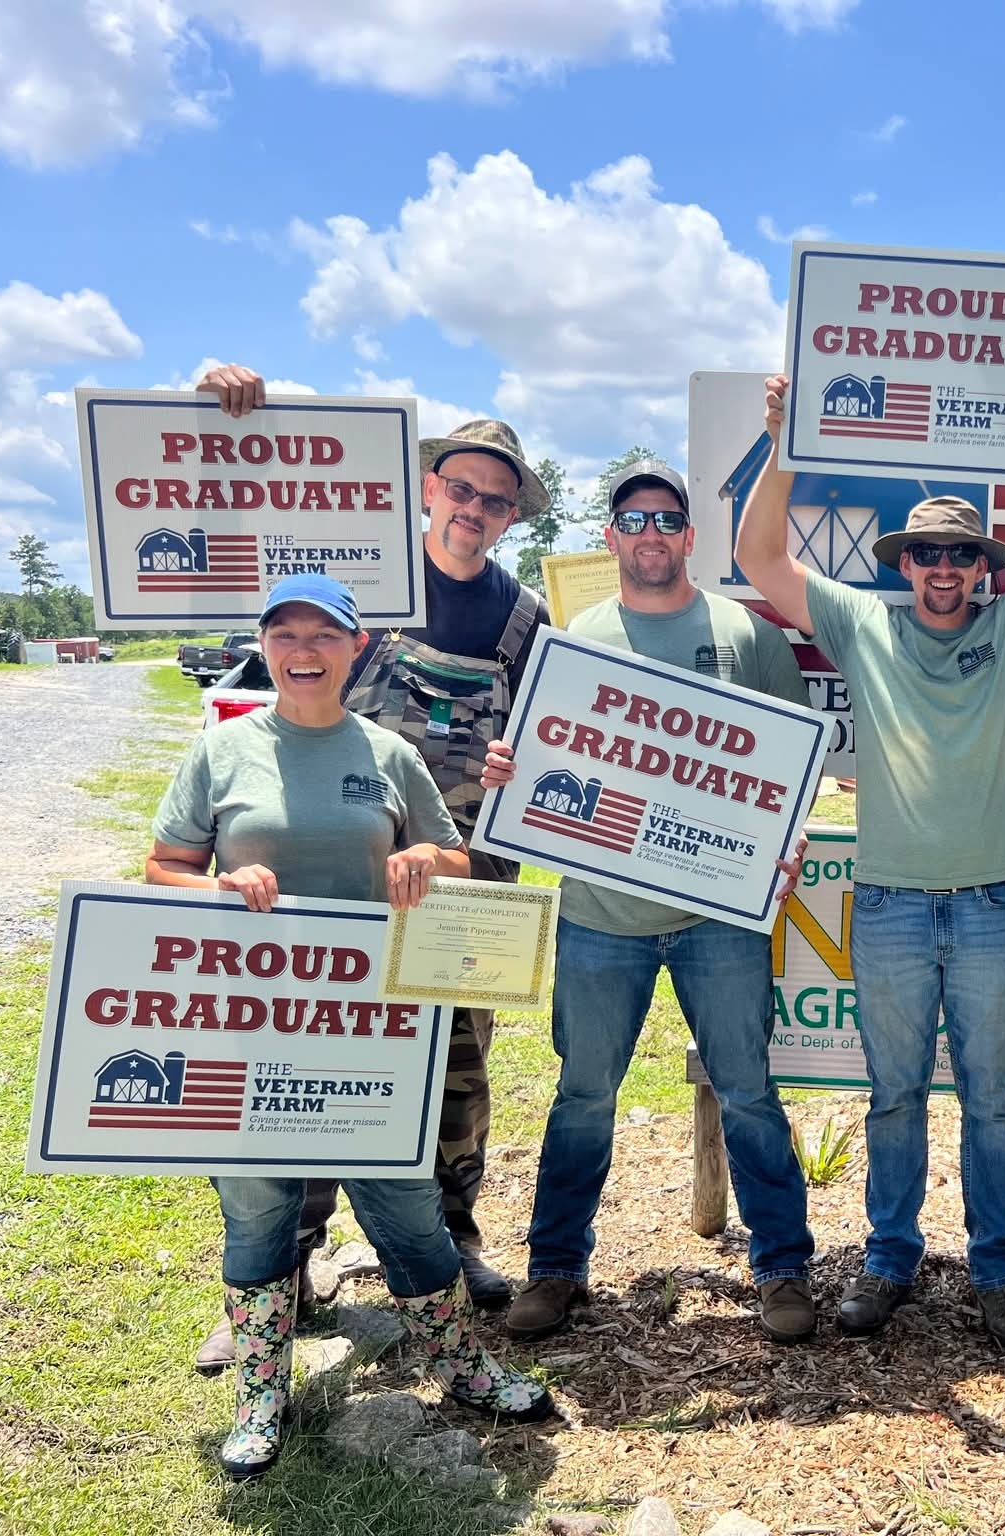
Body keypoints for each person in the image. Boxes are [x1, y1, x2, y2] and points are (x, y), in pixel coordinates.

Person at [735, 345, 1005, 1350]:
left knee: (992, 1105)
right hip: (892, 902)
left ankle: (997, 1272)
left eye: (961, 558)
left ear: (982, 569)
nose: (943, 572)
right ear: (903, 563)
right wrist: (781, 444)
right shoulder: (861, 623)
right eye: (927, 557)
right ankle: (887, 1258)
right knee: (893, 1096)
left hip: (992, 902)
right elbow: (764, 558)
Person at [145, 574, 554, 1479]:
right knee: (257, 1210)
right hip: (253, 1025)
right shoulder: (224, 750)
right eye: (284, 632)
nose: (303, 649)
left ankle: (458, 1365)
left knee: (406, 1206)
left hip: (376, 1026)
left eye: (323, 634)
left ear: (355, 647)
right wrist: (214, 884)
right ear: (266, 644)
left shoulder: (387, 752)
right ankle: (262, 1388)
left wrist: (422, 857)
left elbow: (455, 855)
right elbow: (163, 864)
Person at [194, 365, 554, 1334]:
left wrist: (530, 769)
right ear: (429, 487)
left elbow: (559, 747)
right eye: (461, 488)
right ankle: (288, 1266)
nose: (474, 508)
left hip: (464, 874)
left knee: (456, 1061)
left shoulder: (526, 622)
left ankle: (450, 1239)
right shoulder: (358, 584)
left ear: (512, 515)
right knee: (301, 1053)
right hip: (336, 868)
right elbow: (247, 503)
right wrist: (231, 400)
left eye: (495, 498)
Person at [497, 458, 819, 1344]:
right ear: (611, 538)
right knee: (583, 1096)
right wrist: (509, 778)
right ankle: (557, 1269)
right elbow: (540, 758)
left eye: (665, 519)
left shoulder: (745, 635)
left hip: (719, 919)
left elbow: (792, 763)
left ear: (689, 535)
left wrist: (781, 846)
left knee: (749, 1091)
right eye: (631, 519)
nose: (649, 534)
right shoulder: (575, 638)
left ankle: (783, 1267)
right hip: (602, 918)